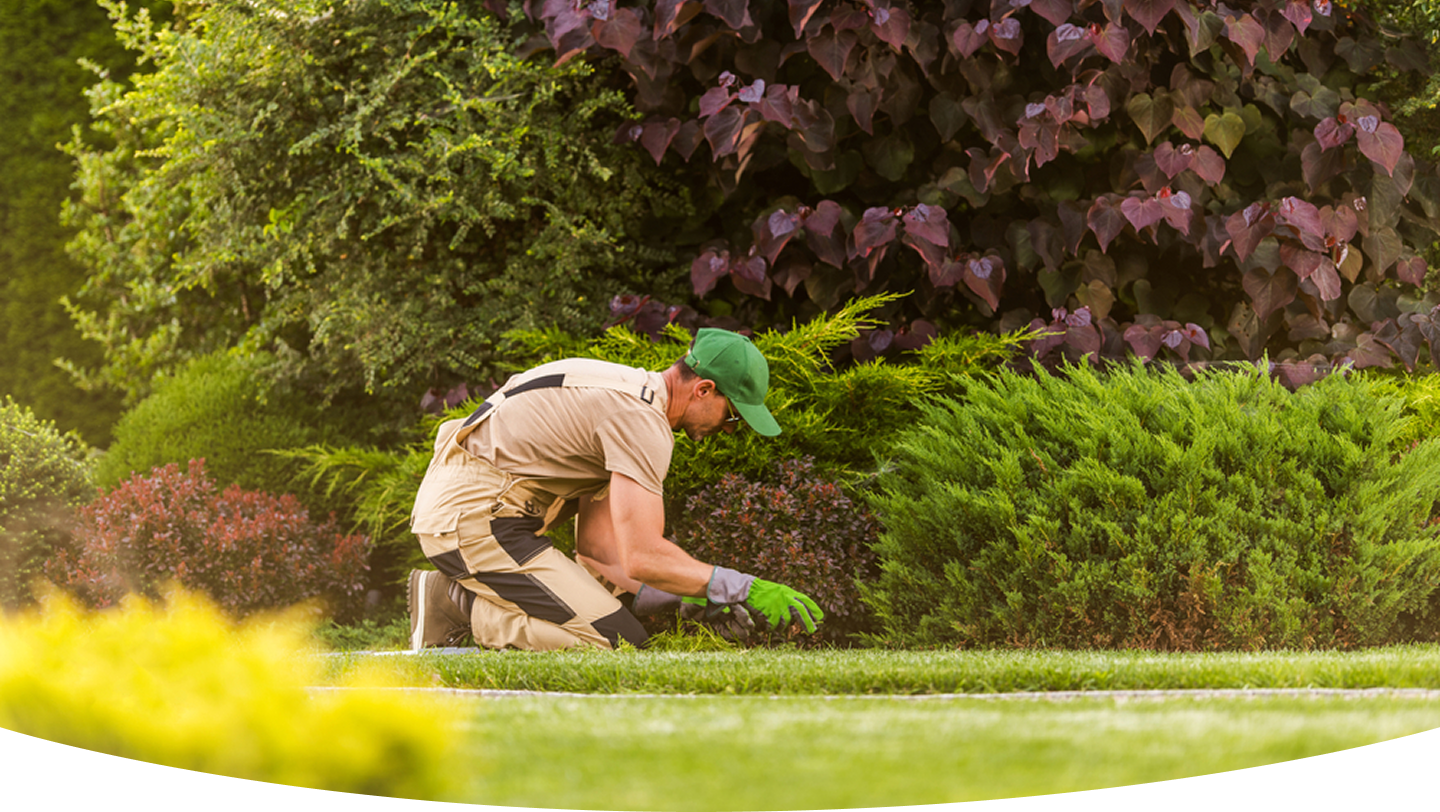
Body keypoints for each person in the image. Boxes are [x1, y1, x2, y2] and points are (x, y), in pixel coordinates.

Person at [406, 327, 824, 651]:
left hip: (478, 513)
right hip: (478, 522)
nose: (729, 430)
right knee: (614, 642)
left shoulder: (628, 398)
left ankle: (461, 600)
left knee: (621, 625)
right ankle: (456, 606)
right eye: (731, 416)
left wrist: (685, 598)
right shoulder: (641, 422)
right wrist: (741, 587)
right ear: (704, 390)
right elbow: (643, 557)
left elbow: (597, 550)